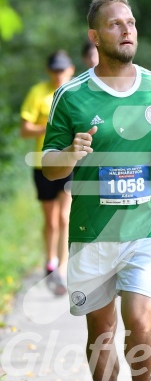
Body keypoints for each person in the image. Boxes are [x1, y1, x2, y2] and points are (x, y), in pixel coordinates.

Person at [41, 0, 151, 381]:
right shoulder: (72, 95)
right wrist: (70, 155)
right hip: (91, 233)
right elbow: (49, 169)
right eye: (116, 24)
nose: (127, 30)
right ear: (95, 35)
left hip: (146, 227)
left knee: (139, 321)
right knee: (100, 333)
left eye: (131, 22)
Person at [20, 50, 75, 295]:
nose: (58, 74)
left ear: (70, 70)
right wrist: (47, 126)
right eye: (54, 70)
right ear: (48, 71)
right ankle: (50, 260)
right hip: (42, 164)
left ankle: (61, 270)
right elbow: (25, 129)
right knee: (51, 220)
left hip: (69, 163)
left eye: (62, 70)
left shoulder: (76, 93)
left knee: (65, 217)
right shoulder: (37, 93)